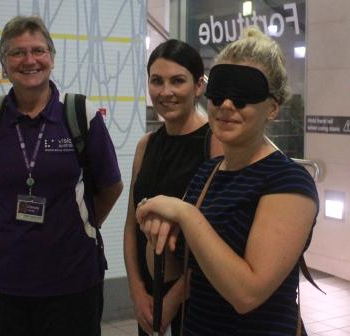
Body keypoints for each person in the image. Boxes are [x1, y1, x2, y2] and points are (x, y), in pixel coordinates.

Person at [136, 26, 319, 336]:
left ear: (272, 108)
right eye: (219, 93)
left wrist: (185, 214)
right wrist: (157, 234)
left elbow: (247, 294)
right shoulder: (207, 174)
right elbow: (174, 270)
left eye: (244, 96)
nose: (226, 106)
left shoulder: (289, 182)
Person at [0, 16, 123, 336]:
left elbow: (111, 186)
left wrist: (80, 226)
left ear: (52, 57)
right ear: (3, 65)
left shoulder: (80, 114)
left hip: (71, 278)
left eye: (39, 50)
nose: (30, 60)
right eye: (17, 53)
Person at [123, 39, 223, 336]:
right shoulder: (147, 145)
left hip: (198, 298)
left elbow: (223, 238)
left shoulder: (214, 143)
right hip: (150, 297)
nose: (165, 92)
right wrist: (137, 291)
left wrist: (172, 300)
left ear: (198, 86)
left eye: (177, 81)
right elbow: (131, 227)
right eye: (157, 81)